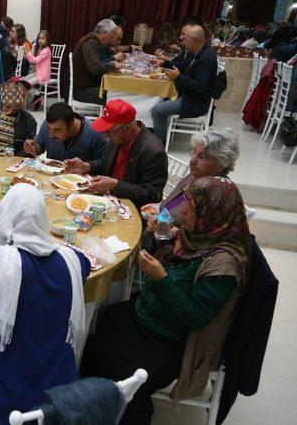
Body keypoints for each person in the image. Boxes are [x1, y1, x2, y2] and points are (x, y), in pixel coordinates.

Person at [81, 176, 250, 424]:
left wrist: (161, 278)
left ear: (211, 215)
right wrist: (159, 237)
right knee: (91, 333)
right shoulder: (196, 238)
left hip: (169, 339)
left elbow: (196, 318)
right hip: (145, 313)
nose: (183, 211)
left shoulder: (223, 265)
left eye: (191, 208)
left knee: (123, 378)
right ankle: (93, 405)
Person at [0, 183, 90, 424]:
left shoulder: (2, 262)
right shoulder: (72, 262)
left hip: (9, 408)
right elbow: (86, 264)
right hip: (62, 399)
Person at [63, 99, 167, 209]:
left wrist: (115, 185)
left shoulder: (153, 151)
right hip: (108, 201)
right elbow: (105, 162)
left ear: (126, 128)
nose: (106, 136)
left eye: (109, 131)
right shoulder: (118, 137)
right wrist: (86, 166)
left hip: (132, 209)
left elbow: (151, 195)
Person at [142, 127, 240, 231]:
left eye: (202, 156)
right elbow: (176, 203)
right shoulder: (195, 176)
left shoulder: (217, 194)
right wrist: (159, 206)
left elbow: (206, 241)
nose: (192, 160)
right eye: (194, 152)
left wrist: (169, 231)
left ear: (221, 164)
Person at [151, 25, 217, 142]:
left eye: (185, 40)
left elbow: (201, 86)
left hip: (194, 102)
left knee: (157, 110)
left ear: (195, 40)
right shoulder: (196, 53)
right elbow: (183, 65)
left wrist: (178, 77)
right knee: (159, 98)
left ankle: (159, 145)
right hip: (187, 95)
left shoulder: (207, 59)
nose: (183, 43)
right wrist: (165, 63)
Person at [24, 102, 107, 162]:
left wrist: (86, 167)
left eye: (57, 130)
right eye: (49, 128)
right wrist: (33, 148)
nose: (51, 135)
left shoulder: (94, 132)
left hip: (81, 181)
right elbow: (39, 148)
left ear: (71, 125)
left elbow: (103, 164)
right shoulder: (48, 124)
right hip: (52, 176)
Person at [71, 19, 122, 105]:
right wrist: (112, 64)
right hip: (82, 92)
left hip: (88, 87)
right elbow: (95, 68)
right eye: (111, 37)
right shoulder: (90, 42)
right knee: (116, 93)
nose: (111, 40)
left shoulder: (94, 42)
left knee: (116, 89)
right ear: (104, 33)